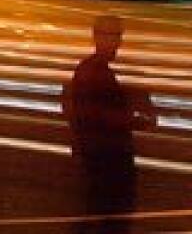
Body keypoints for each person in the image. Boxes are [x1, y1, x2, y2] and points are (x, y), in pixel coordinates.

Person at [62, 15, 156, 234]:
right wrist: (134, 120)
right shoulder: (95, 72)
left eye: (117, 36)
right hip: (107, 156)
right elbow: (100, 115)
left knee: (95, 212)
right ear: (98, 37)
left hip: (99, 155)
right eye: (112, 36)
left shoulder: (92, 69)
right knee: (109, 214)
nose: (116, 42)